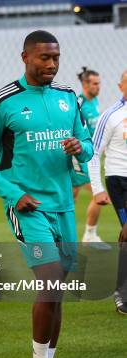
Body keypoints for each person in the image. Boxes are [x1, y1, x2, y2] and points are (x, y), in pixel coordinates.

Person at [0, 30, 93, 358]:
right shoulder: (2, 101)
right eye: (43, 58)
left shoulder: (68, 98)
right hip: (27, 206)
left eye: (56, 58)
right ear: (25, 57)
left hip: (64, 207)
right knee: (51, 282)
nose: (51, 65)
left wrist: (80, 148)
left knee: (58, 292)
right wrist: (13, 194)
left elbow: (86, 147)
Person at [88, 70, 127, 315]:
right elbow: (92, 152)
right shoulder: (111, 115)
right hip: (119, 180)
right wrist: (97, 189)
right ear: (121, 85)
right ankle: (121, 292)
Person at [72, 68, 108, 247]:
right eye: (95, 83)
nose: (98, 87)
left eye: (99, 83)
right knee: (99, 193)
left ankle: (62, 236)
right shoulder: (78, 103)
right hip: (79, 158)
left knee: (70, 197)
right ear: (85, 84)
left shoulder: (94, 102)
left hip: (91, 157)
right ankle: (89, 235)